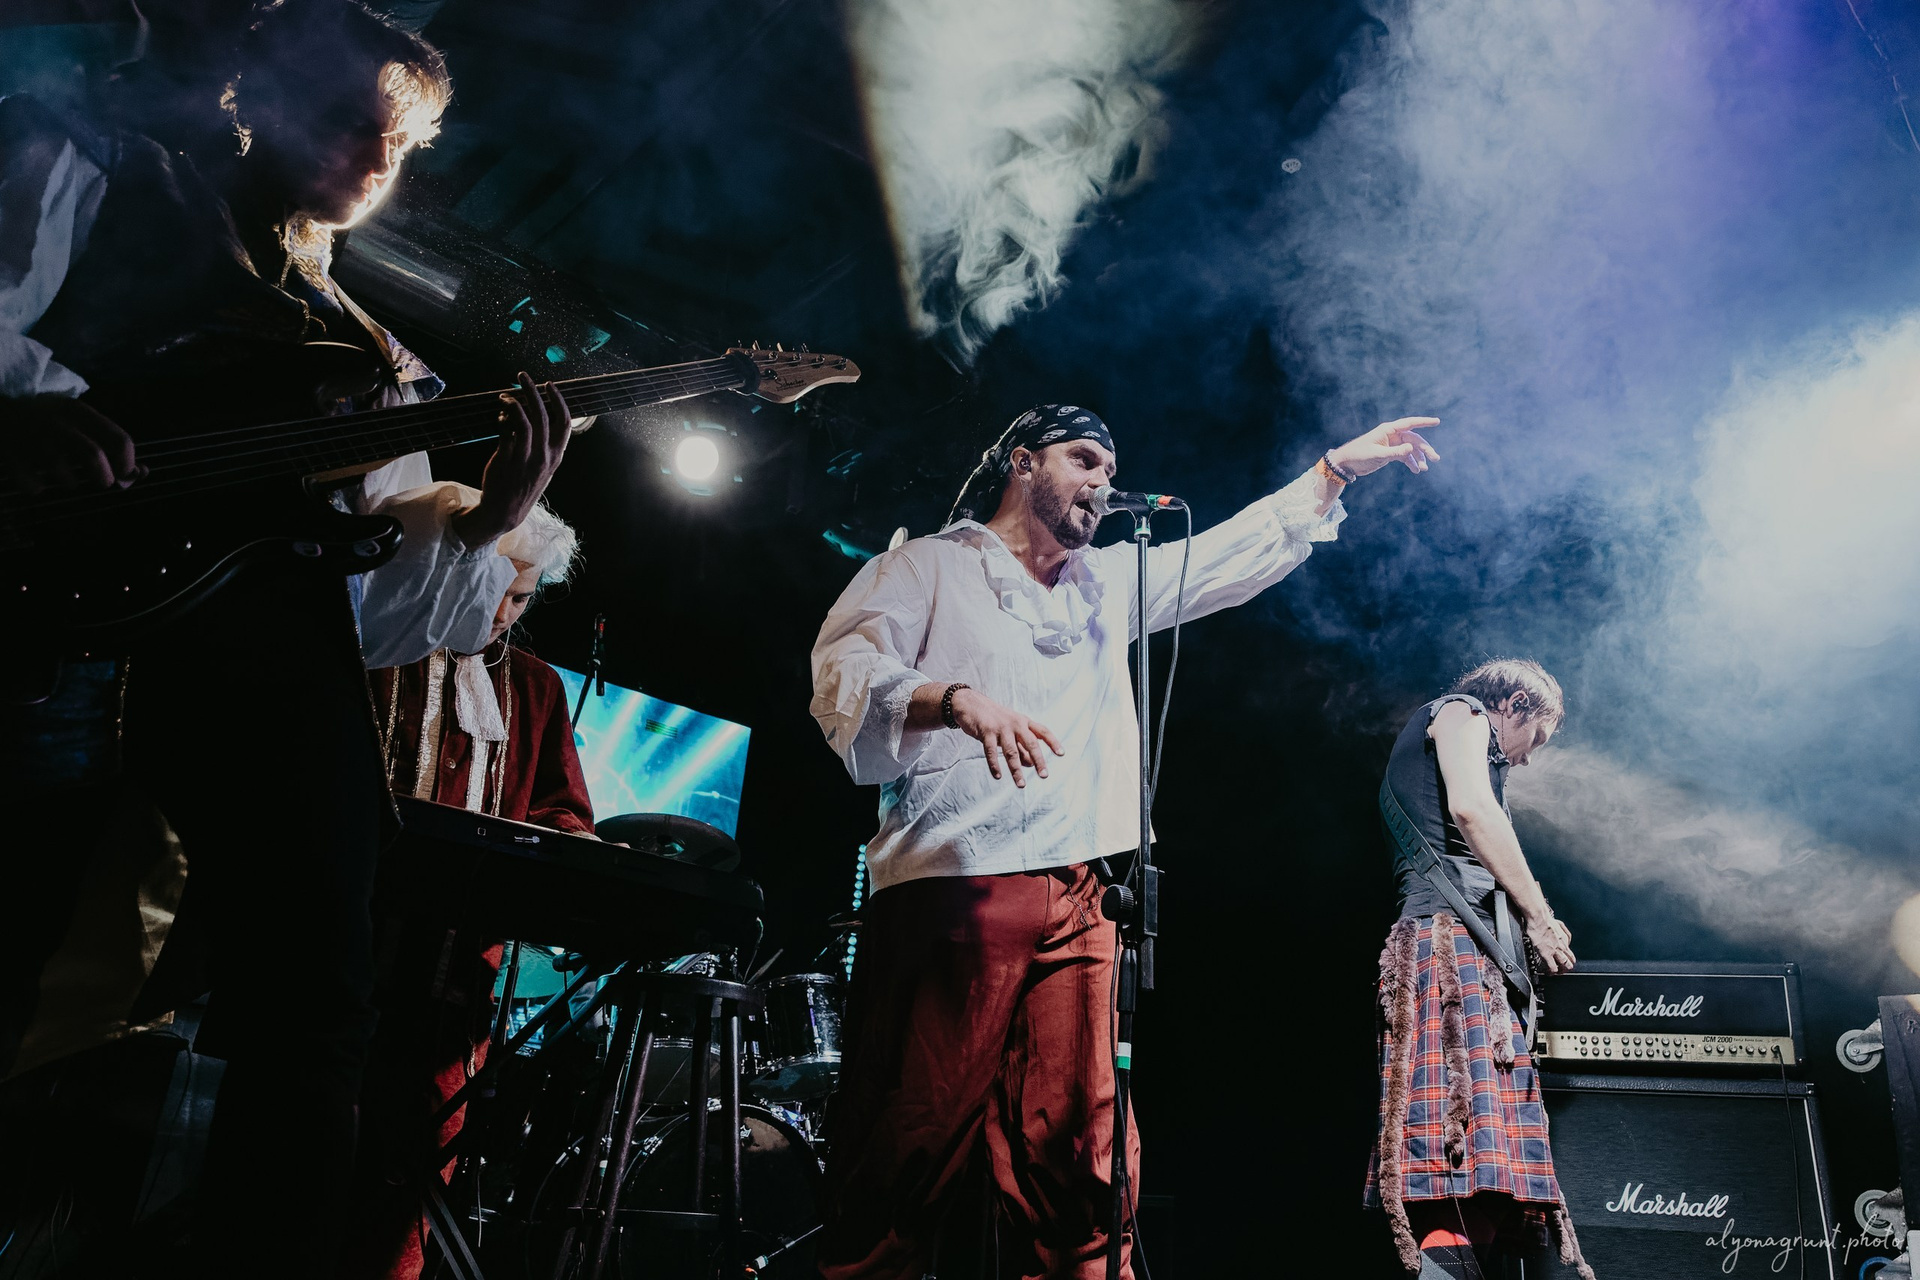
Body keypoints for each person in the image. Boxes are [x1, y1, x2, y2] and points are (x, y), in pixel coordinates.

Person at [0, 3, 568, 1273]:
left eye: (403, 144)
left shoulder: (366, 352)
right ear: (255, 93)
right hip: (49, 616)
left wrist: (492, 521)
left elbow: (375, 612)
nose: (376, 159)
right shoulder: (95, 163)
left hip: (259, 660)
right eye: (350, 120)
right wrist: (23, 410)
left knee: (315, 1003)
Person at [809, 402, 1442, 1278]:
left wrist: (1334, 471)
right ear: (1023, 463)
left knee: (1084, 1150)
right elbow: (845, 670)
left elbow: (1228, 553)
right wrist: (956, 700)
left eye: (1110, 469)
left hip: (1082, 895)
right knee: (909, 1135)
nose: (1103, 482)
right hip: (953, 885)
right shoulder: (927, 566)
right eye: (1083, 460)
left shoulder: (1108, 580)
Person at [347, 493, 592, 1280]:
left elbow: (560, 808)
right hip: (351, 942)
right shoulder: (383, 642)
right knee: (314, 1136)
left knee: (417, 1159)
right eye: (495, 591)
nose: (502, 615)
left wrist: (572, 849)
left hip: (457, 975)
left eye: (521, 599)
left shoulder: (536, 686)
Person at [1364, 659, 1593, 1280]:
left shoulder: (1468, 734)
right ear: (1513, 703)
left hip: (1469, 953)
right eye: (1535, 737)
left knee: (1487, 1173)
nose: (1528, 758)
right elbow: (1471, 809)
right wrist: (1539, 916)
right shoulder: (1459, 712)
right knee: (1454, 1155)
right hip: (1446, 949)